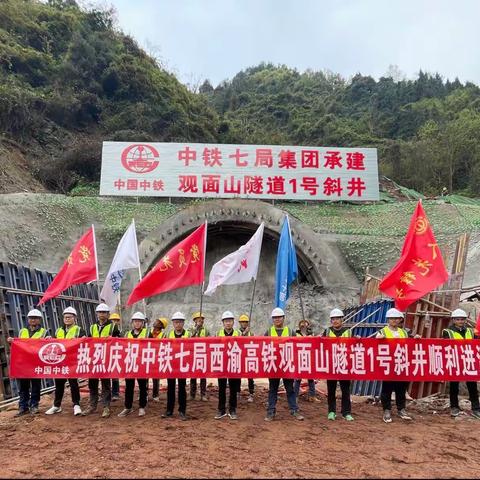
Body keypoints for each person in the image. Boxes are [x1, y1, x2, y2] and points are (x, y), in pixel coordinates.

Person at [264, 308, 304, 422]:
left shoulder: (291, 332)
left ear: (283, 318)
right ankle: (271, 411)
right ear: (272, 319)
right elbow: (263, 347)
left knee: (290, 389)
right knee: (273, 389)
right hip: (273, 365)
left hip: (287, 365)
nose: (277, 319)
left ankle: (294, 410)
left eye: (279, 317)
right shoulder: (268, 332)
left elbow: (297, 347)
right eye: (275, 318)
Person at [45, 307, 85, 416]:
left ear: (74, 318)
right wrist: (50, 339)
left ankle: (76, 405)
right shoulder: (59, 330)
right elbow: (54, 344)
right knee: (59, 384)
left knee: (73, 384)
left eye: (69, 317)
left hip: (72, 362)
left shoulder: (79, 330)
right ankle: (56, 406)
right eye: (65, 317)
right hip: (60, 362)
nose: (67, 319)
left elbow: (84, 343)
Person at [83, 303, 121, 418]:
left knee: (105, 384)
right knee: (92, 383)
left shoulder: (113, 327)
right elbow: (88, 341)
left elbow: (120, 341)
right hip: (94, 359)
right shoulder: (92, 327)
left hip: (106, 358)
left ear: (108, 314)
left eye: (104, 312)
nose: (101, 315)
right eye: (99, 312)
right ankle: (92, 406)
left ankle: (106, 407)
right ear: (96, 314)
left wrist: (113, 339)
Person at [8, 308, 48, 417]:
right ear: (28, 319)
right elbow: (18, 346)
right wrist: (12, 342)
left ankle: (34, 405)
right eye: (31, 318)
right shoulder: (22, 331)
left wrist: (49, 340)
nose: (33, 320)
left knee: (35, 386)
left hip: (36, 363)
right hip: (23, 364)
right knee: (23, 387)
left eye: (35, 318)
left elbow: (47, 347)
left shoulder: (44, 332)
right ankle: (23, 407)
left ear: (39, 320)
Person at [442, 308, 480, 419]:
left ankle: (476, 408)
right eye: (458, 319)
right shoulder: (447, 331)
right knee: (454, 386)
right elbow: (445, 345)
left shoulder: (470, 331)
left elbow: (476, 342)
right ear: (453, 320)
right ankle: (454, 407)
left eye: (462, 319)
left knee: (472, 386)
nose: (460, 321)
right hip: (455, 361)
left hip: (469, 361)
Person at [376, 307, 412, 423]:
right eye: (392, 318)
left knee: (401, 388)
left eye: (396, 318)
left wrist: (416, 339)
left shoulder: (404, 332)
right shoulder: (383, 331)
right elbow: (375, 344)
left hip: (401, 363)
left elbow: (409, 346)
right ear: (388, 319)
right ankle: (386, 410)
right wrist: (379, 339)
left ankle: (401, 409)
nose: (394, 320)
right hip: (388, 364)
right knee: (387, 388)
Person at [322, 308, 354, 421]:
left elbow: (354, 347)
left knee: (345, 390)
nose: (335, 321)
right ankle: (331, 411)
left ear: (342, 320)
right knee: (331, 389)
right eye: (333, 319)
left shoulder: (348, 332)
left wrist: (358, 339)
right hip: (331, 365)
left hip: (344, 364)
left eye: (337, 319)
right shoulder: (327, 332)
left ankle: (346, 412)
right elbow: (320, 345)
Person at [118, 312, 151, 417]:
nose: (137, 323)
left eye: (139, 321)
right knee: (129, 386)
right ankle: (128, 407)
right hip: (130, 363)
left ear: (143, 323)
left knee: (142, 386)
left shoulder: (147, 333)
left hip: (141, 363)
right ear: (132, 323)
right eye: (135, 321)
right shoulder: (127, 334)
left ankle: (142, 407)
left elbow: (152, 347)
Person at [162, 312, 189, 420]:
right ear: (173, 323)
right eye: (176, 322)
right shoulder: (168, 334)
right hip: (171, 365)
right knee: (171, 388)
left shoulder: (189, 334)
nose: (178, 324)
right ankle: (169, 410)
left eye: (180, 322)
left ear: (183, 323)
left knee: (182, 388)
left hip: (183, 365)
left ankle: (182, 411)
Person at [215, 311, 241, 420]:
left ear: (233, 322)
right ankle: (221, 409)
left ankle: (232, 409)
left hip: (234, 364)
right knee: (221, 388)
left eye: (230, 321)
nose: (228, 323)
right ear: (223, 323)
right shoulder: (218, 334)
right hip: (222, 364)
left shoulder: (238, 334)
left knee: (233, 388)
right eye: (226, 321)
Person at [294, 319, 318, 404]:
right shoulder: (296, 334)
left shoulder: (311, 334)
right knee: (298, 379)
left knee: (310, 378)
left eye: (306, 325)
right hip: (299, 358)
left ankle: (312, 396)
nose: (304, 326)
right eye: (302, 325)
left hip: (309, 357)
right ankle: (295, 396)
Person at [189, 311, 210, 402]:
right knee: (193, 376)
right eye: (198, 320)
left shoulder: (206, 330)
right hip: (193, 355)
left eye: (202, 320)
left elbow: (210, 341)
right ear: (195, 321)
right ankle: (192, 394)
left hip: (203, 355)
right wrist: (195, 330)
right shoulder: (190, 330)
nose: (200, 321)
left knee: (203, 376)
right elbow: (188, 339)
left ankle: (203, 394)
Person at [151, 317, 168, 402]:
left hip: (157, 357)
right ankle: (144, 394)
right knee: (144, 376)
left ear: (161, 325)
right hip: (148, 356)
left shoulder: (163, 335)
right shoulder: (148, 332)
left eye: (158, 322)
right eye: (156, 320)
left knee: (155, 377)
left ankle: (155, 395)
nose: (155, 322)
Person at [239, 313, 255, 403]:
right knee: (238, 376)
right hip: (240, 356)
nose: (244, 324)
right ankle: (237, 392)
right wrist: (244, 334)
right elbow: (237, 341)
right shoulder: (237, 332)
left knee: (250, 377)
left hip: (248, 356)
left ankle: (251, 393)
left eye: (245, 322)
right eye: (242, 322)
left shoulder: (251, 333)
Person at [109, 312, 122, 402]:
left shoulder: (118, 330)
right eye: (113, 320)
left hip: (114, 355)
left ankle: (115, 393)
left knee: (114, 375)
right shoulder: (108, 329)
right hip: (105, 354)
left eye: (116, 320)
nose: (115, 322)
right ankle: (107, 393)